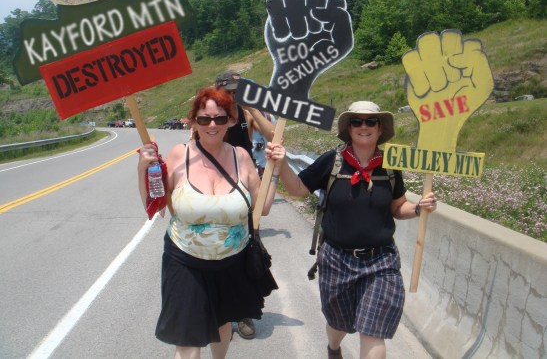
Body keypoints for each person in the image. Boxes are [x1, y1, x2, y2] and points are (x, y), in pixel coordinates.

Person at [274, 101, 437, 359]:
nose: (364, 126)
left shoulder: (390, 165)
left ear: (380, 128)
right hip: (337, 258)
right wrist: (281, 163)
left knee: (373, 330)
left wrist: (418, 209)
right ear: (348, 129)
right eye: (356, 121)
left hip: (381, 261)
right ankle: (334, 347)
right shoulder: (332, 161)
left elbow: (397, 207)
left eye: (370, 121)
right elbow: (296, 189)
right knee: (339, 324)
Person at [137, 87, 285, 359]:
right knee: (188, 336)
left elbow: (261, 207)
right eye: (204, 119)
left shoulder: (241, 157)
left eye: (220, 118)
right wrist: (143, 170)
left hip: (232, 261)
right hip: (185, 260)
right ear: (193, 122)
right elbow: (157, 204)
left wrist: (275, 170)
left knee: (223, 324)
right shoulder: (179, 156)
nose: (212, 125)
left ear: (231, 120)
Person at [215, 70, 275, 339]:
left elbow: (272, 134)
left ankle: (243, 312)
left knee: (243, 251)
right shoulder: (210, 115)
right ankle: (218, 311)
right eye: (228, 91)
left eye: (237, 90)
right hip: (214, 189)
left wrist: (250, 105)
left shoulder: (245, 113)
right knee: (216, 249)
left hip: (241, 187)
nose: (233, 95)